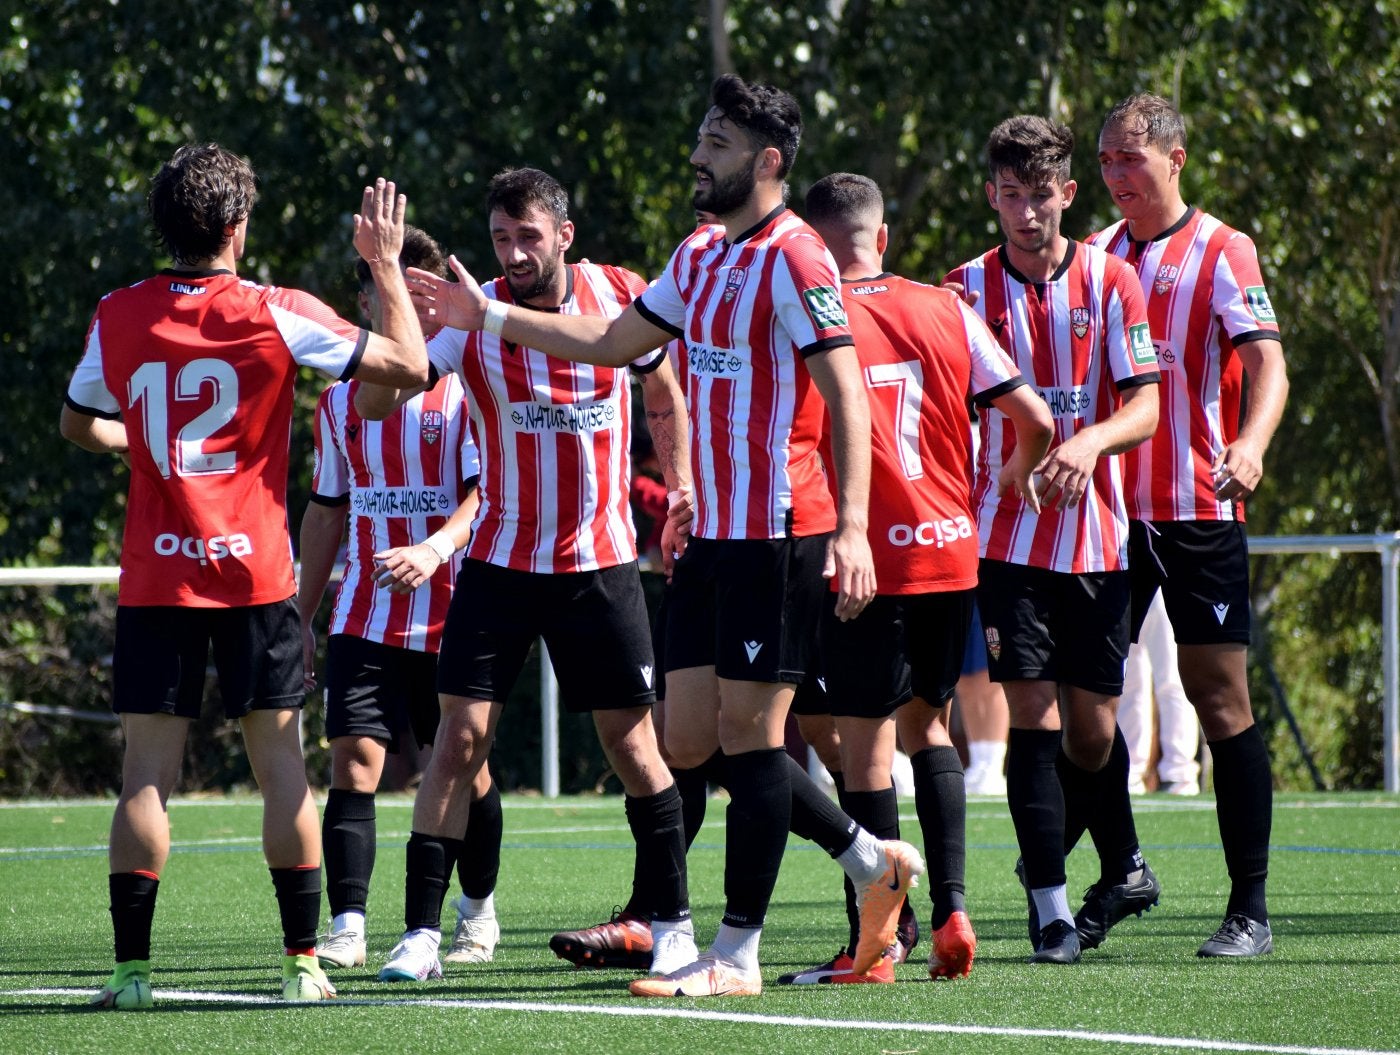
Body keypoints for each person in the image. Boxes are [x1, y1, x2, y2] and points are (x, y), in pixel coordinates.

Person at [405, 76, 923, 998]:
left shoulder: (797, 259)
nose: (698, 156)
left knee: (756, 741)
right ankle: (866, 856)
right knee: (688, 741)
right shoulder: (700, 252)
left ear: (765, 162)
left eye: (716, 144)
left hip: (778, 533)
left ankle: (736, 954)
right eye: (700, 138)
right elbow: (609, 341)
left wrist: (852, 525)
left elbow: (847, 391)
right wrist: (480, 314)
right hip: (712, 541)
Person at [59, 145, 428, 1007]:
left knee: (145, 775)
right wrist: (385, 266)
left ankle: (131, 972)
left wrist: (146, 452)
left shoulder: (116, 315)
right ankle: (303, 963)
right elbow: (410, 365)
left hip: (157, 581)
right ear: (237, 226)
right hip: (257, 577)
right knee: (282, 773)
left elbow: (80, 423)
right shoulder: (276, 309)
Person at [355, 167, 699, 986]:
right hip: (501, 564)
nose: (513, 252)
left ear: (565, 235)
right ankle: (420, 936)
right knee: (457, 740)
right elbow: (374, 402)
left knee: (633, 744)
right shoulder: (468, 315)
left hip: (600, 564)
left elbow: (663, 391)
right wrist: (386, 276)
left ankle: (676, 927)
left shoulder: (621, 291)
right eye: (502, 238)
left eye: (528, 236)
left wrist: (680, 485)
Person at [775, 172, 1052, 986]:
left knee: (866, 750)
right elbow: (1034, 420)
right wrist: (1004, 480)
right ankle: (954, 906)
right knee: (931, 728)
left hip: (863, 559)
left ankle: (878, 940)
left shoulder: (811, 313)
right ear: (883, 237)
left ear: (813, 248)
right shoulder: (948, 306)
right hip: (949, 550)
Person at [944, 115, 1161, 964]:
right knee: (1030, 717)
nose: (1025, 213)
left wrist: (1086, 440)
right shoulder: (962, 289)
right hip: (1004, 543)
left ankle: (1125, 862)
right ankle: (1051, 910)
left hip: (1099, 544)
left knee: (1092, 733)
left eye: (1040, 195)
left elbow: (1144, 404)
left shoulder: (1113, 282)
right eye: (1009, 195)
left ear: (1067, 193)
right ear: (991, 194)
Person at [1093, 92, 1288, 957]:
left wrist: (1249, 443)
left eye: (1129, 158)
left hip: (1197, 508)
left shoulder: (1222, 247)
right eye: (1104, 162)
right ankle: (1123, 867)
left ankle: (1249, 907)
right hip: (1102, 517)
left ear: (1175, 157)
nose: (1115, 176)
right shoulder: (1091, 254)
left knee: (1219, 698)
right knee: (1085, 707)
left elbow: (1267, 362)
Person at [297, 226, 503, 972]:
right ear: (365, 302)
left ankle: (476, 910)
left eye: (420, 297)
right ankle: (348, 922)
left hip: (455, 611)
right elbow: (326, 510)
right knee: (353, 760)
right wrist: (299, 614)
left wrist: (433, 548)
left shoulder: (466, 388)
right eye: (388, 293)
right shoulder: (339, 402)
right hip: (363, 612)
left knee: (466, 769)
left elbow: (488, 495)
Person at [1117, 591, 1200, 795]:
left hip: (1165, 577)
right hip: (1126, 574)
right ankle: (1131, 772)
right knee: (1129, 679)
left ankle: (1179, 773)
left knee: (1172, 677)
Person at [957, 603, 1011, 797]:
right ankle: (978, 762)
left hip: (987, 588)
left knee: (989, 676)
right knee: (963, 680)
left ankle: (992, 765)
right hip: (961, 590)